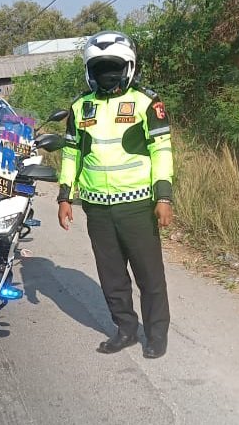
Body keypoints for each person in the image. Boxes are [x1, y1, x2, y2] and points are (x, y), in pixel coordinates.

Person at [57, 31, 173, 359]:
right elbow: (71, 155)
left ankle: (156, 333)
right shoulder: (80, 107)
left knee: (149, 276)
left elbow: (162, 151)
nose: (106, 74)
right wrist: (65, 196)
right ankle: (125, 329)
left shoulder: (147, 102)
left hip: (138, 206)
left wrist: (163, 197)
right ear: (88, 71)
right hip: (97, 208)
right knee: (112, 277)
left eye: (113, 66)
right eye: (99, 67)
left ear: (129, 67)